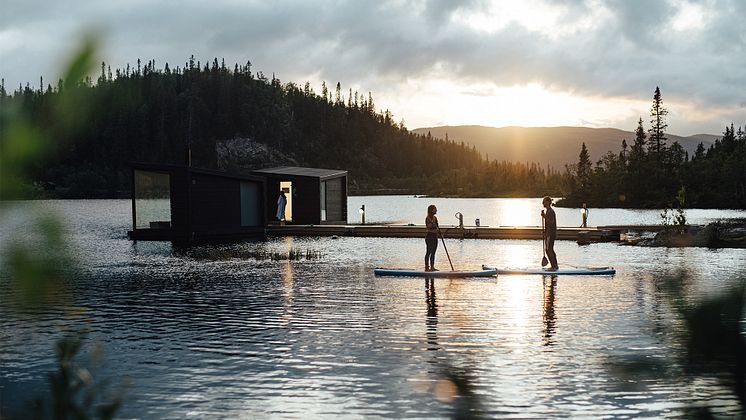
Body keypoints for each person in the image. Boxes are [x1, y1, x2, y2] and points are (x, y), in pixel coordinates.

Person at [541, 196, 559, 270]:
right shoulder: (548, 211)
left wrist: (545, 217)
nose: (543, 203)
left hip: (551, 234)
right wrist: (544, 232)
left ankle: (554, 266)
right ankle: (554, 265)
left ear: (548, 202)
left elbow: (551, 223)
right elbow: (548, 224)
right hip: (548, 233)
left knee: (549, 249)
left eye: (544, 201)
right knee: (549, 249)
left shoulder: (551, 211)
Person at [425, 204, 439, 271]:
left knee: (433, 252)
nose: (436, 210)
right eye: (435, 209)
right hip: (429, 237)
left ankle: (432, 267)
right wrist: (432, 223)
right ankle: (427, 266)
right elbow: (428, 228)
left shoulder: (435, 218)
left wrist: (438, 231)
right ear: (431, 210)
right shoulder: (428, 218)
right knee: (429, 251)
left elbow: (437, 227)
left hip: (435, 237)